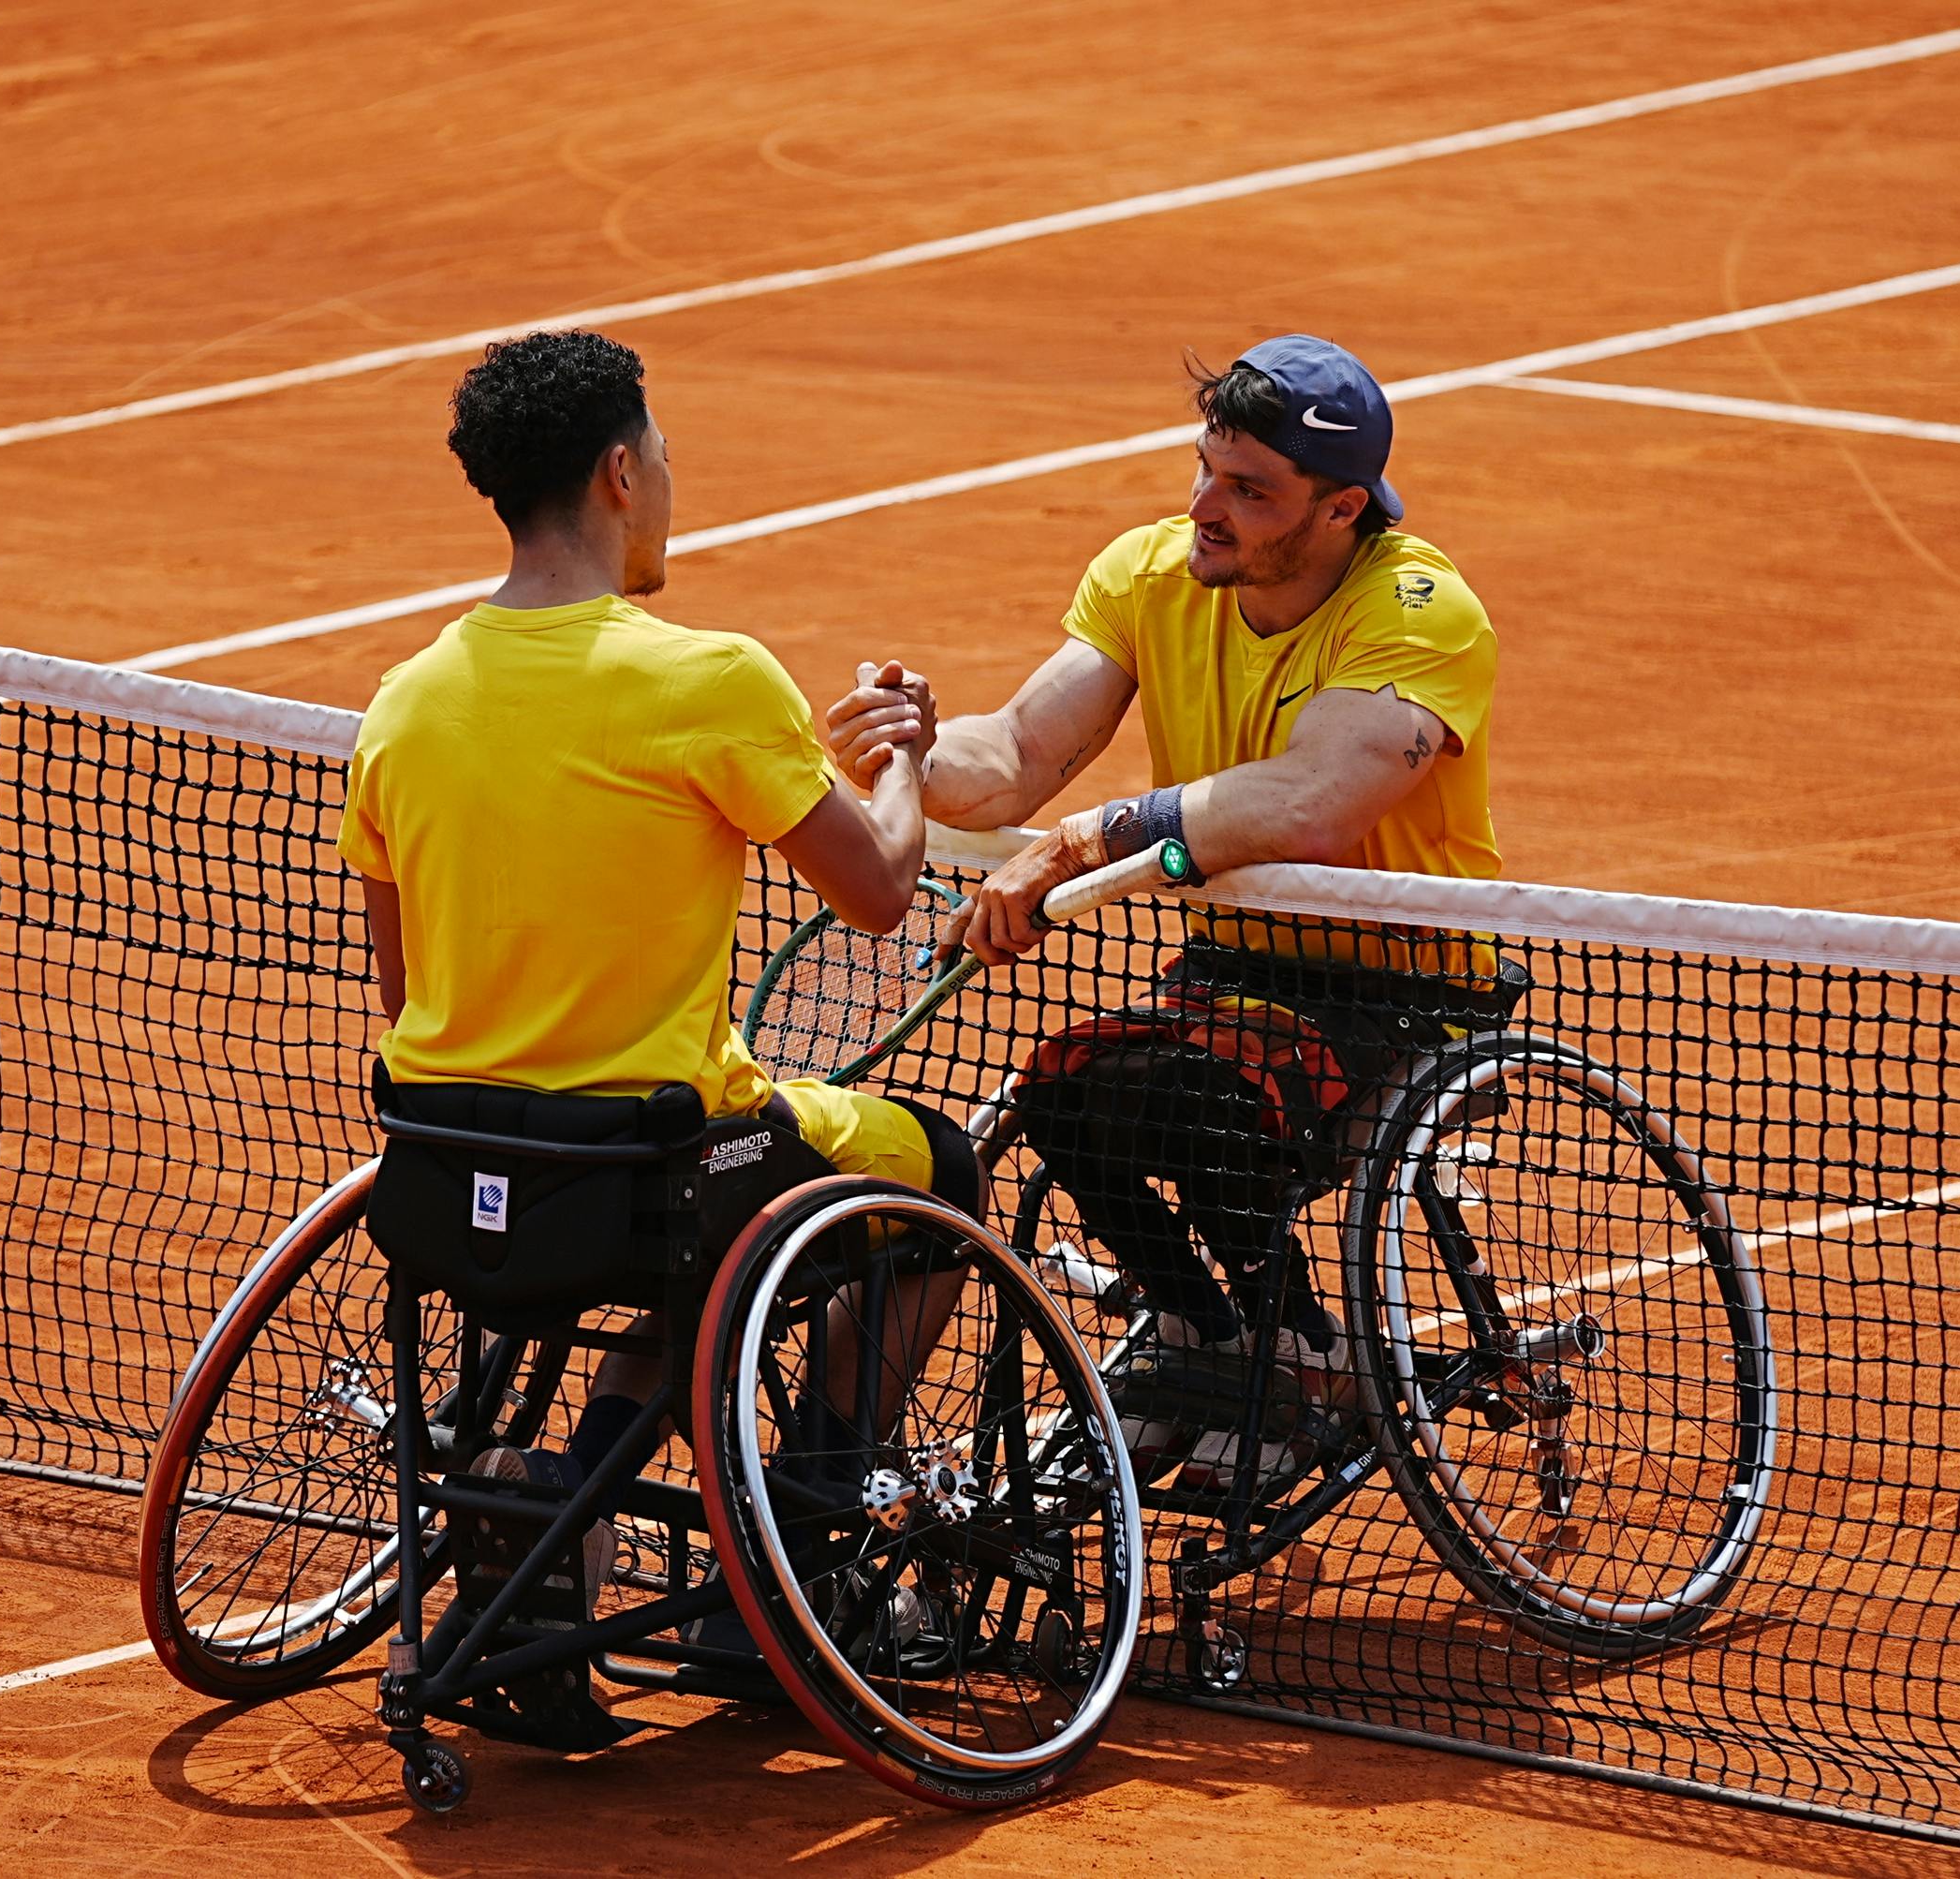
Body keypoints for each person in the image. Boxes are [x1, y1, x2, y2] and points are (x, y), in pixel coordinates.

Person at [339, 329, 973, 1624]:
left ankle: (560, 1488)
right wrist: (900, 755)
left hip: (447, 1173)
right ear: (621, 473)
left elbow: (404, 988)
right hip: (655, 1172)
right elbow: (881, 891)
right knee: (939, 1174)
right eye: (667, 453)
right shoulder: (711, 679)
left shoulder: (399, 705)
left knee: (698, 1225)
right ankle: (802, 1549)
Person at [820, 333, 1504, 1486]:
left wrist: (1095, 837)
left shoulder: (1421, 612)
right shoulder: (1154, 576)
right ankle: (1212, 1339)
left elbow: (1317, 799)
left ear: (1341, 510)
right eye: (1208, 468)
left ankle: (1298, 1354)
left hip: (1407, 988)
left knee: (1202, 1102)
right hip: (1236, 969)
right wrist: (908, 754)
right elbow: (1020, 756)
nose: (1208, 506)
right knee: (1065, 1091)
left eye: (1251, 490)